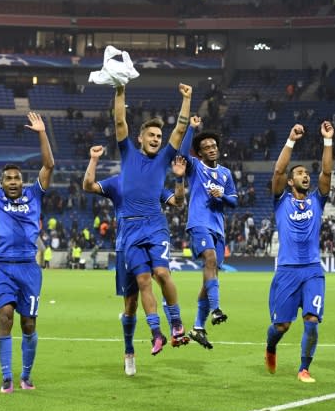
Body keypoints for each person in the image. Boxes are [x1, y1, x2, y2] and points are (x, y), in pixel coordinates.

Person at [83, 145, 186, 375]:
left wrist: (179, 181)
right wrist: (93, 160)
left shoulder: (151, 182)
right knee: (130, 304)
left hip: (151, 236)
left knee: (159, 275)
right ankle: (129, 351)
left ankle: (166, 327)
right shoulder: (116, 182)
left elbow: (177, 202)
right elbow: (88, 186)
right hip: (125, 245)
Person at [0, 112, 54, 393]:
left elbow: (49, 164)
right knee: (5, 315)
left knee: (28, 323)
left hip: (29, 269)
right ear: (2, 182)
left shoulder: (35, 194)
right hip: (3, 267)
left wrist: (42, 132)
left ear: (23, 181)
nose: (14, 182)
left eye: (17, 178)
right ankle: (6, 376)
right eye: (8, 178)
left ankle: (26, 375)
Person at [113, 81, 192, 355]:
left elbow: (180, 129)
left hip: (155, 225)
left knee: (161, 272)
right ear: (141, 137)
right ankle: (156, 333)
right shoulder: (128, 154)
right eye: (152, 135)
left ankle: (177, 323)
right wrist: (120, 89)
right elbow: (119, 120)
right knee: (144, 281)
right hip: (130, 229)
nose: (157, 139)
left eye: (159, 135)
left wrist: (186, 99)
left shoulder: (164, 159)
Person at [265, 121, 333, 383]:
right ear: (291, 181)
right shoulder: (281, 200)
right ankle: (271, 347)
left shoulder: (317, 199)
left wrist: (328, 140)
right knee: (281, 326)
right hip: (287, 270)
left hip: (313, 269)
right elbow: (279, 169)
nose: (306, 175)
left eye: (307, 173)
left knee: (312, 320)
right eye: (301, 173)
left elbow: (326, 173)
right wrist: (291, 140)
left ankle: (304, 368)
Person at [179, 116, 238, 349]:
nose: (211, 149)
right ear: (200, 153)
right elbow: (183, 154)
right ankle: (215, 309)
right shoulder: (195, 167)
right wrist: (192, 128)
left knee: (210, 276)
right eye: (206, 147)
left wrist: (220, 196)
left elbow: (234, 201)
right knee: (210, 260)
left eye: (214, 146)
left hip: (218, 228)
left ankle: (197, 327)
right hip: (199, 222)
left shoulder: (226, 174)